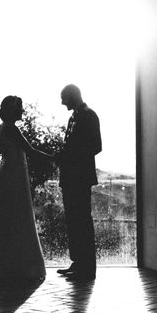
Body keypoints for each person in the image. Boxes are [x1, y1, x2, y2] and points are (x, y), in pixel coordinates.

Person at [0, 96, 50, 285]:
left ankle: (7, 264)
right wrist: (54, 158)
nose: (22, 112)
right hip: (15, 175)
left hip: (10, 174)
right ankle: (21, 265)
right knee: (19, 217)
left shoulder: (2, 127)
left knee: (9, 219)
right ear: (13, 111)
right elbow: (30, 150)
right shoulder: (12, 128)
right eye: (20, 108)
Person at [55, 84, 102, 281]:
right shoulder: (74, 117)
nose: (62, 102)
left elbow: (96, 146)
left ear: (73, 97)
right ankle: (78, 262)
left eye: (64, 98)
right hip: (71, 176)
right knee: (73, 220)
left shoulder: (89, 116)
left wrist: (70, 157)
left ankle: (87, 268)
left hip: (80, 177)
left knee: (82, 220)